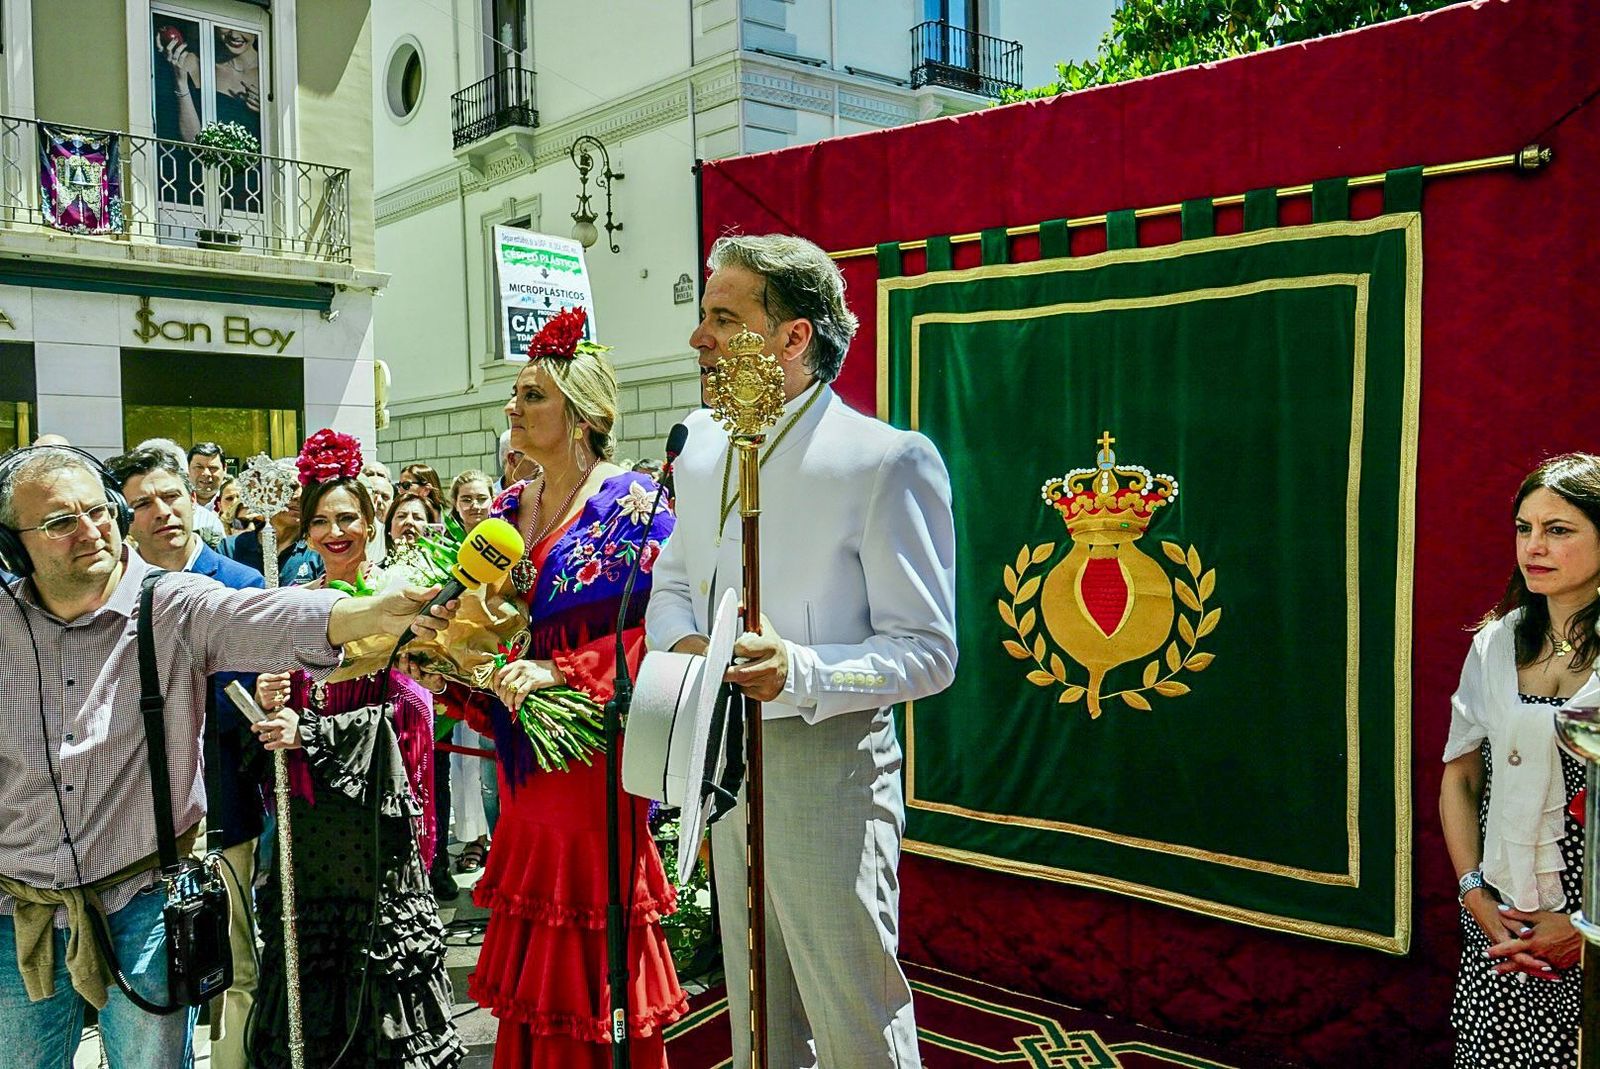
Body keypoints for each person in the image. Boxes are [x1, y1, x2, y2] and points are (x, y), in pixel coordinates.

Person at [0, 444, 457, 1069]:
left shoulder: (170, 604)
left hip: (144, 904)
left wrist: (376, 611)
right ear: (12, 545)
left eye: (98, 510)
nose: (90, 530)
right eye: (60, 522)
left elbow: (267, 615)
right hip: (16, 915)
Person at [645, 234, 958, 1068]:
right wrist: (696, 651)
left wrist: (801, 669)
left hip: (832, 765)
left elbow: (929, 650)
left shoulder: (885, 460)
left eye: (723, 318)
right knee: (760, 1018)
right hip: (724, 758)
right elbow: (672, 581)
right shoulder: (702, 445)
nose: (698, 338)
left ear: (793, 337)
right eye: (703, 316)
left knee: (855, 1018)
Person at [408, 309, 684, 1068]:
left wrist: (561, 671)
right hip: (521, 758)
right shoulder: (504, 510)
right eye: (516, 394)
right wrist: (447, 655)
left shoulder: (635, 505)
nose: (513, 408)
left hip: (592, 759)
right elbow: (483, 625)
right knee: (537, 952)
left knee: (590, 941)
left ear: (583, 414)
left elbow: (666, 629)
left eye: (532, 396)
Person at [248, 432, 464, 1069]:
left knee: (380, 976)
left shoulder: (403, 601)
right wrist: (272, 696)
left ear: (372, 522)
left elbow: (412, 711)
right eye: (320, 521)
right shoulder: (297, 606)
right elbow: (282, 718)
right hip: (313, 829)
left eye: (347, 518)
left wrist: (312, 733)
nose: (334, 532)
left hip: (373, 827)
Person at [105, 446, 267, 1069]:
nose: (162, 512)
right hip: (127, 829)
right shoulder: (110, 593)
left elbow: (239, 705)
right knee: (143, 980)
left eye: (171, 496)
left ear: (193, 499)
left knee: (233, 963)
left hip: (220, 808)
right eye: (142, 503)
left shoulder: (239, 586)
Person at [1441, 453, 1600, 1068]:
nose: (1534, 546)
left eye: (1558, 530)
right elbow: (1460, 775)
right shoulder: (1497, 642)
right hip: (1503, 921)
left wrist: (1583, 933)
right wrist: (1475, 893)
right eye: (1524, 528)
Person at [443, 471, 496, 874]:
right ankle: (474, 837)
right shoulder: (446, 548)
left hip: (498, 663)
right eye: (466, 499)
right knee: (465, 764)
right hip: (457, 668)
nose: (475, 505)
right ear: (455, 505)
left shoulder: (506, 542)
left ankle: (502, 840)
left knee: (493, 764)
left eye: (481, 498)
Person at [220, 473, 323, 587]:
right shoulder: (230, 548)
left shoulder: (319, 551)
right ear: (264, 494)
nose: (299, 495)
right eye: (289, 487)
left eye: (305, 489)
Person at [186, 442, 225, 511]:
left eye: (212, 468)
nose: (206, 473)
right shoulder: (176, 503)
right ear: (188, 469)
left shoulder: (237, 503)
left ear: (225, 469)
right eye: (199, 467)